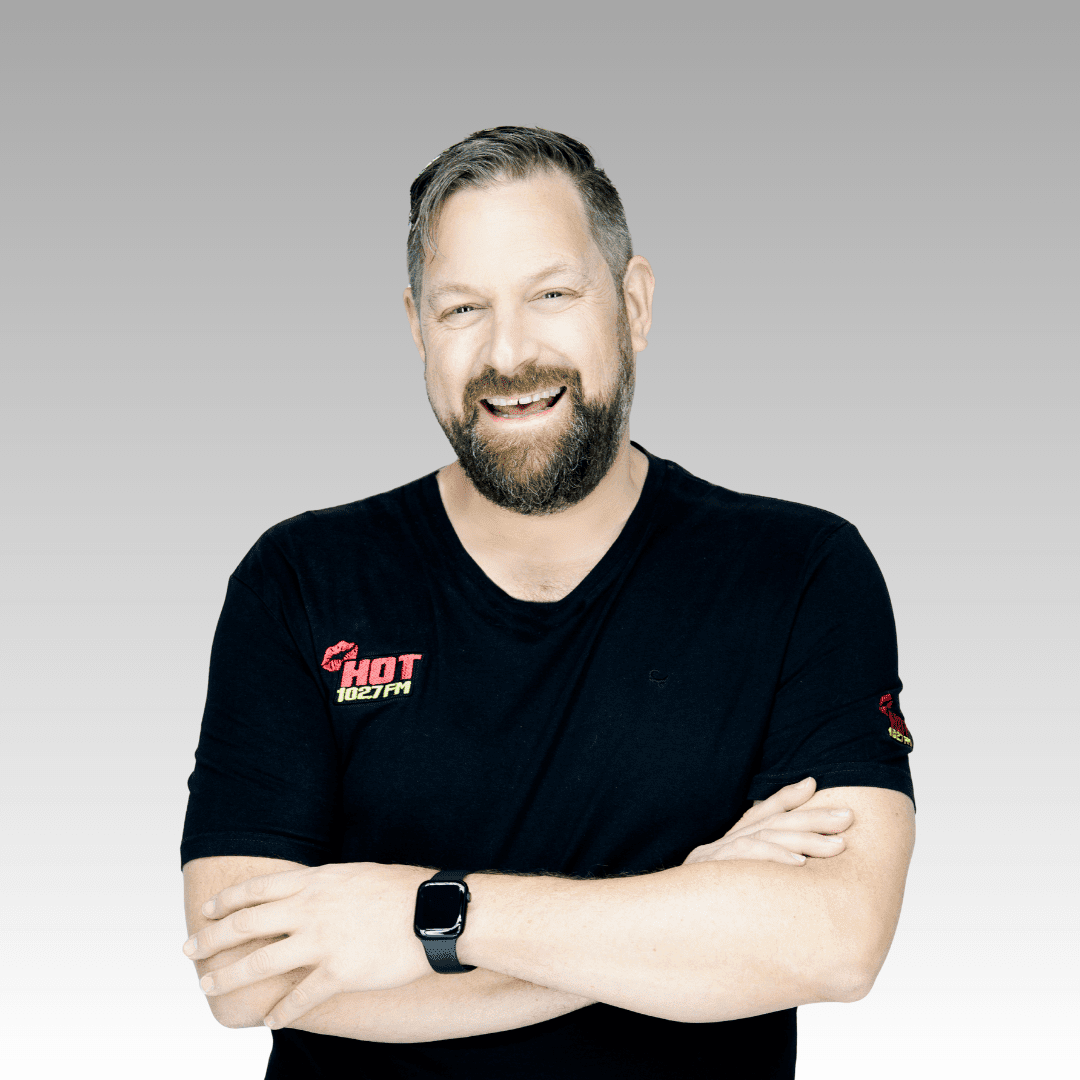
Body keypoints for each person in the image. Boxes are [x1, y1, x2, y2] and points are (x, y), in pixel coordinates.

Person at [180, 127, 916, 1079]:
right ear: (416, 328)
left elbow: (834, 940)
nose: (510, 351)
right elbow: (247, 976)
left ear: (634, 303)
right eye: (462, 309)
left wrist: (424, 918)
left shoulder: (800, 571)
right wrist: (686, 909)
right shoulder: (300, 579)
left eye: (553, 294)